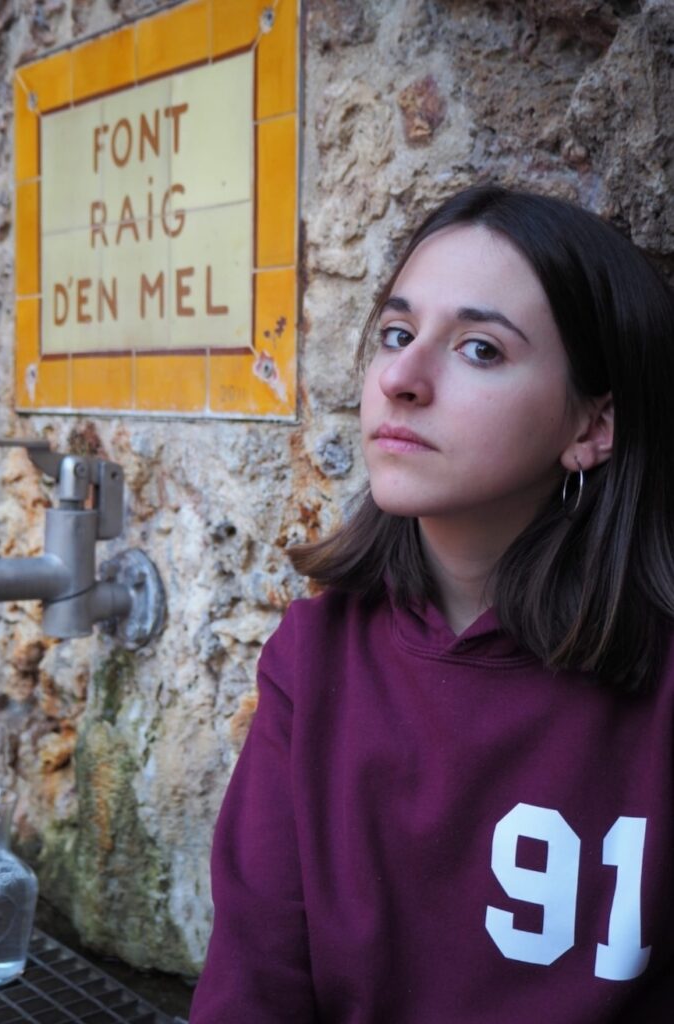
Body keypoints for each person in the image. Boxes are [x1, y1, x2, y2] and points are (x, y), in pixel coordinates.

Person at [189, 185, 674, 1023]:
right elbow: (252, 991)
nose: (402, 379)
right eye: (396, 334)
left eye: (480, 349)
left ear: (592, 426)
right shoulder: (314, 658)